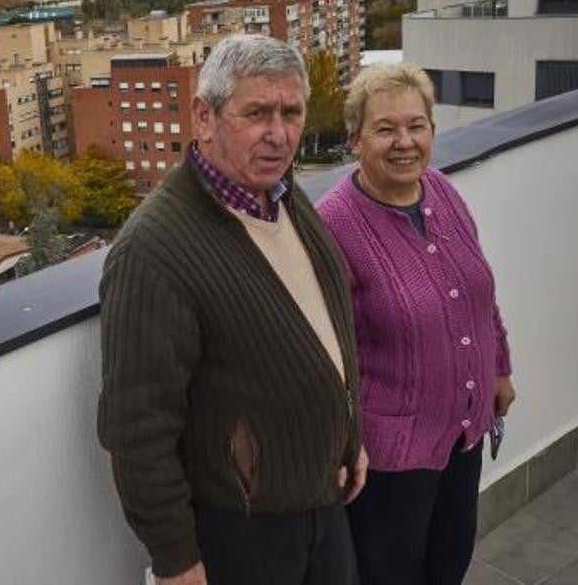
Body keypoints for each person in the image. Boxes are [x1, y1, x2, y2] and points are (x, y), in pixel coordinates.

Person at [98, 34, 366, 585]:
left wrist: (349, 437)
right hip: (242, 533)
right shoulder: (154, 250)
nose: (279, 134)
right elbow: (138, 428)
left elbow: (324, 325)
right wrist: (176, 559)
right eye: (257, 113)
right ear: (204, 117)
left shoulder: (283, 195)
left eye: (291, 112)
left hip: (321, 503)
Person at [315, 62, 516, 585]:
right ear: (356, 138)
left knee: (449, 561)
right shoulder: (334, 225)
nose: (404, 141)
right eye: (385, 129)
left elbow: (479, 292)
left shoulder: (443, 192)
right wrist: (344, 441)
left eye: (416, 125)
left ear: (431, 129)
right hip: (389, 457)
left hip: (462, 433)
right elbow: (326, 353)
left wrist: (499, 367)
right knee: (392, 575)